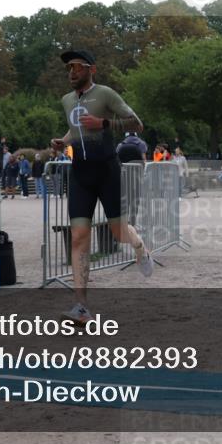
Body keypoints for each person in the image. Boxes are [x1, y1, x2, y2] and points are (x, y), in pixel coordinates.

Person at [51, 50, 152, 325]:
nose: (71, 72)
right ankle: (81, 306)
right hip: (80, 173)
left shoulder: (105, 94)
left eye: (77, 67)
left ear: (91, 69)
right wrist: (63, 141)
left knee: (119, 232)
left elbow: (137, 124)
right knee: (78, 236)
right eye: (68, 68)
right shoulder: (67, 100)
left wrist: (104, 123)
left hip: (107, 171)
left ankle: (139, 246)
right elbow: (76, 130)